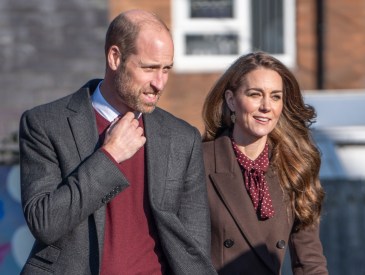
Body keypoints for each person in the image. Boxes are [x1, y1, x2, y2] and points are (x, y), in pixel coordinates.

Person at [19, 9, 216, 275]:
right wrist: (108, 157)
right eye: (149, 68)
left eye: (166, 69)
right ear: (115, 57)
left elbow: (193, 245)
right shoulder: (45, 124)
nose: (159, 83)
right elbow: (44, 222)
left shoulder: (182, 137)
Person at [202, 52, 328, 274]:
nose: (266, 106)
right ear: (231, 100)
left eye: (276, 96)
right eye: (255, 94)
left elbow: (310, 263)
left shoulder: (296, 168)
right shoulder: (199, 161)